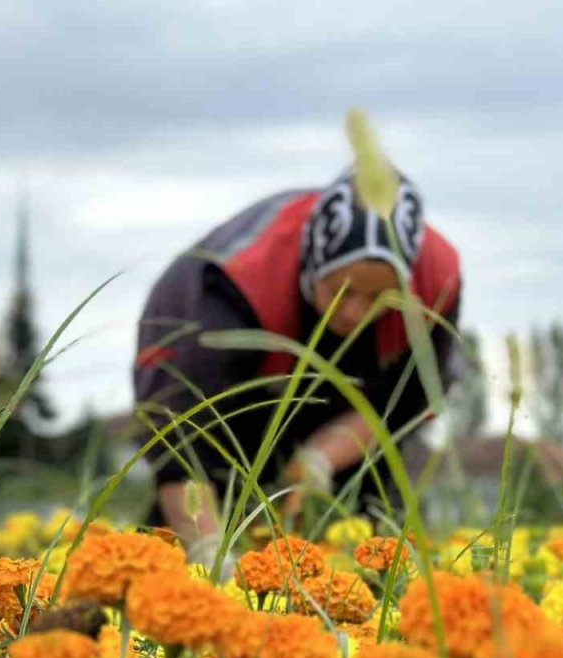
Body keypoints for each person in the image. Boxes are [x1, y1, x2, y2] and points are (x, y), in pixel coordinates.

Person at [133, 166, 462, 565]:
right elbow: (184, 444)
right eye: (342, 291)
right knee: (224, 501)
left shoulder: (437, 284)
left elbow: (405, 403)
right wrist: (210, 560)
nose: (356, 312)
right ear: (315, 268)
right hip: (200, 354)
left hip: (348, 389)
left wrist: (319, 460)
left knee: (370, 512)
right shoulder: (233, 289)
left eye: (379, 296)